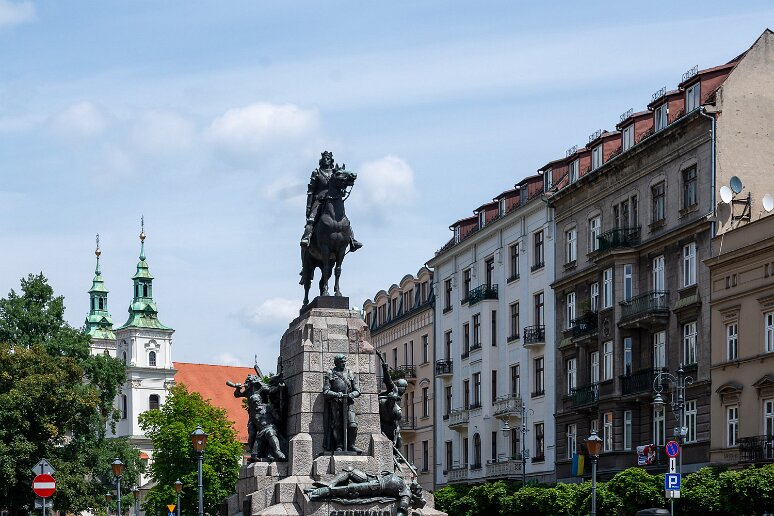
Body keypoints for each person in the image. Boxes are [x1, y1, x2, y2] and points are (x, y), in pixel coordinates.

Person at [300, 151, 362, 251]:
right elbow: (310, 191)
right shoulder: (317, 172)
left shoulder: (335, 172)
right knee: (311, 219)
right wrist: (308, 207)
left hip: (333, 199)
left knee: (344, 219)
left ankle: (352, 240)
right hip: (319, 201)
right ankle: (307, 238)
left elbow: (340, 184)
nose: (326, 160)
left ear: (331, 160)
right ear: (321, 160)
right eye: (324, 158)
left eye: (328, 158)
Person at [305, 467, 426, 516]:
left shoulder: (406, 492)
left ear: (414, 493)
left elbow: (402, 509)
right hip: (372, 478)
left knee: (350, 488)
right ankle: (331, 484)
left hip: (375, 487)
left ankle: (321, 492)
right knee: (350, 470)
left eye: (418, 489)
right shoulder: (403, 481)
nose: (416, 484)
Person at [322, 354, 362, 453]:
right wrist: (336, 394)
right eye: (341, 362)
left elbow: (357, 390)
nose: (343, 363)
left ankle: (351, 445)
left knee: (353, 425)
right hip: (336, 403)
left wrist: (352, 394)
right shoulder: (330, 373)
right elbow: (326, 391)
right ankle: (339, 445)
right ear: (336, 363)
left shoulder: (350, 373)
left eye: (344, 361)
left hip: (348, 403)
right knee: (337, 425)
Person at [378, 359, 408, 450]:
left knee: (398, 440)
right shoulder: (394, 390)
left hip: (392, 425)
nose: (404, 390)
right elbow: (388, 380)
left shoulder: (399, 397)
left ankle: (396, 455)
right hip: (385, 422)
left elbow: (397, 423)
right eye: (404, 388)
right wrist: (385, 369)